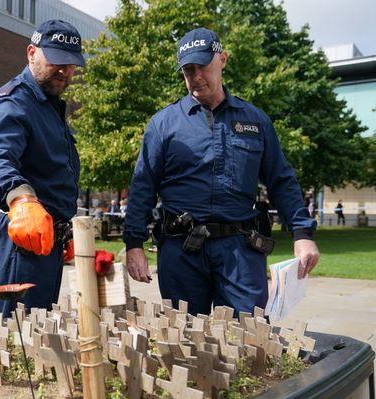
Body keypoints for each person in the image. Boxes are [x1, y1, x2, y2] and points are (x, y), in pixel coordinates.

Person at [123, 28, 320, 316]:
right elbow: (142, 187)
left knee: (250, 338)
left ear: (223, 59)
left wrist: (302, 233)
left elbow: (282, 180)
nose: (196, 76)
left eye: (203, 66)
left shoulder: (255, 121)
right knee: (184, 341)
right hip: (181, 252)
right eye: (188, 70)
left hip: (240, 251)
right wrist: (133, 244)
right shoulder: (163, 124)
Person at [0, 19, 84, 317]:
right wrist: (22, 200)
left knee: (40, 326)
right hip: (19, 238)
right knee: (21, 336)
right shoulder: (14, 103)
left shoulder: (47, 105)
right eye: (57, 60)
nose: (65, 70)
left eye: (72, 63)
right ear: (31, 53)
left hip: (44, 238)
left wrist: (62, 227)